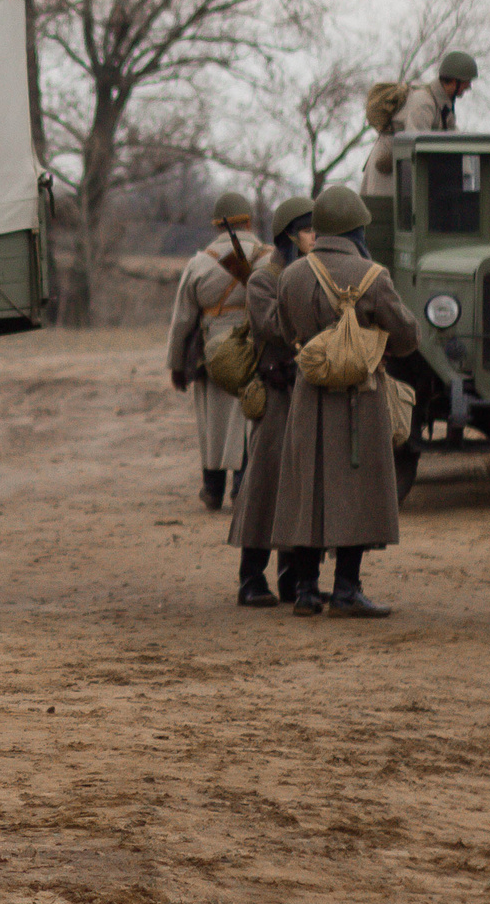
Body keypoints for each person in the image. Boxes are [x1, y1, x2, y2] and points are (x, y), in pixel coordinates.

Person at [269, 186, 418, 618]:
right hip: (361, 398)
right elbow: (408, 337)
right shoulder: (373, 276)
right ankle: (348, 590)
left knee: (306, 489)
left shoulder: (291, 275)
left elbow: (282, 330)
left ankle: (306, 591)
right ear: (357, 228)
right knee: (358, 490)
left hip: (308, 394)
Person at [228, 197, 314, 604]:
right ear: (289, 236)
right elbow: (275, 328)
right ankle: (250, 579)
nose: (316, 236)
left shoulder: (310, 275)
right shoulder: (264, 281)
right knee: (263, 486)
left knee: (297, 489)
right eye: (309, 229)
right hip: (275, 396)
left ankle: (293, 578)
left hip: (305, 392)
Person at [165, 192, 270, 514]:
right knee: (247, 420)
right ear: (249, 221)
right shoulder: (268, 259)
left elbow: (182, 320)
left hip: (210, 353)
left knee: (211, 423)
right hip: (253, 352)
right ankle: (242, 487)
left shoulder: (199, 262)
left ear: (216, 224)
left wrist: (176, 365)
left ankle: (212, 490)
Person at [361, 52, 477, 200]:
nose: (468, 87)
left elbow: (451, 136)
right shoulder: (424, 103)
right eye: (467, 81)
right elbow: (417, 147)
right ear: (454, 81)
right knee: (385, 218)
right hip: (389, 171)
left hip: (402, 170)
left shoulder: (443, 104)